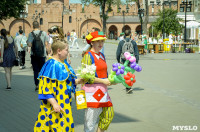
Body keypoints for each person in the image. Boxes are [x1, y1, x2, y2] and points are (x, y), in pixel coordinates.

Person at [34, 39, 83, 132]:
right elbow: (45, 88)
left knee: (64, 126)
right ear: (59, 51)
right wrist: (54, 103)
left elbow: (67, 81)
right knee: (53, 126)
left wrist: (79, 81)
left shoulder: (63, 63)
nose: (68, 52)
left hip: (64, 102)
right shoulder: (51, 65)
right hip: (54, 104)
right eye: (67, 50)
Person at [81, 31, 114, 132]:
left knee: (109, 114)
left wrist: (112, 80)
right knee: (90, 122)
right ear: (91, 42)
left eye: (102, 41)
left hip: (103, 91)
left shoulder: (102, 55)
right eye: (98, 41)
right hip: (92, 92)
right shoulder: (88, 56)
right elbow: (87, 77)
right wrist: (103, 81)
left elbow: (105, 74)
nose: (101, 44)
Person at [27, 21, 49, 91]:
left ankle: (37, 85)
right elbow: (46, 44)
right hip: (42, 55)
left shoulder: (31, 34)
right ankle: (42, 84)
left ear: (33, 26)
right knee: (42, 70)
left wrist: (28, 43)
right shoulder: (44, 33)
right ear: (39, 26)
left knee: (35, 70)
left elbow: (29, 45)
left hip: (34, 55)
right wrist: (48, 53)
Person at [116, 29, 139, 94]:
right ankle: (128, 87)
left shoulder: (121, 42)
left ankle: (128, 87)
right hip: (132, 60)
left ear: (124, 35)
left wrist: (118, 60)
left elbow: (118, 52)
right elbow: (136, 52)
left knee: (126, 74)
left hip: (124, 60)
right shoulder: (133, 42)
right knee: (130, 74)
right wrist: (136, 61)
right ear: (130, 34)